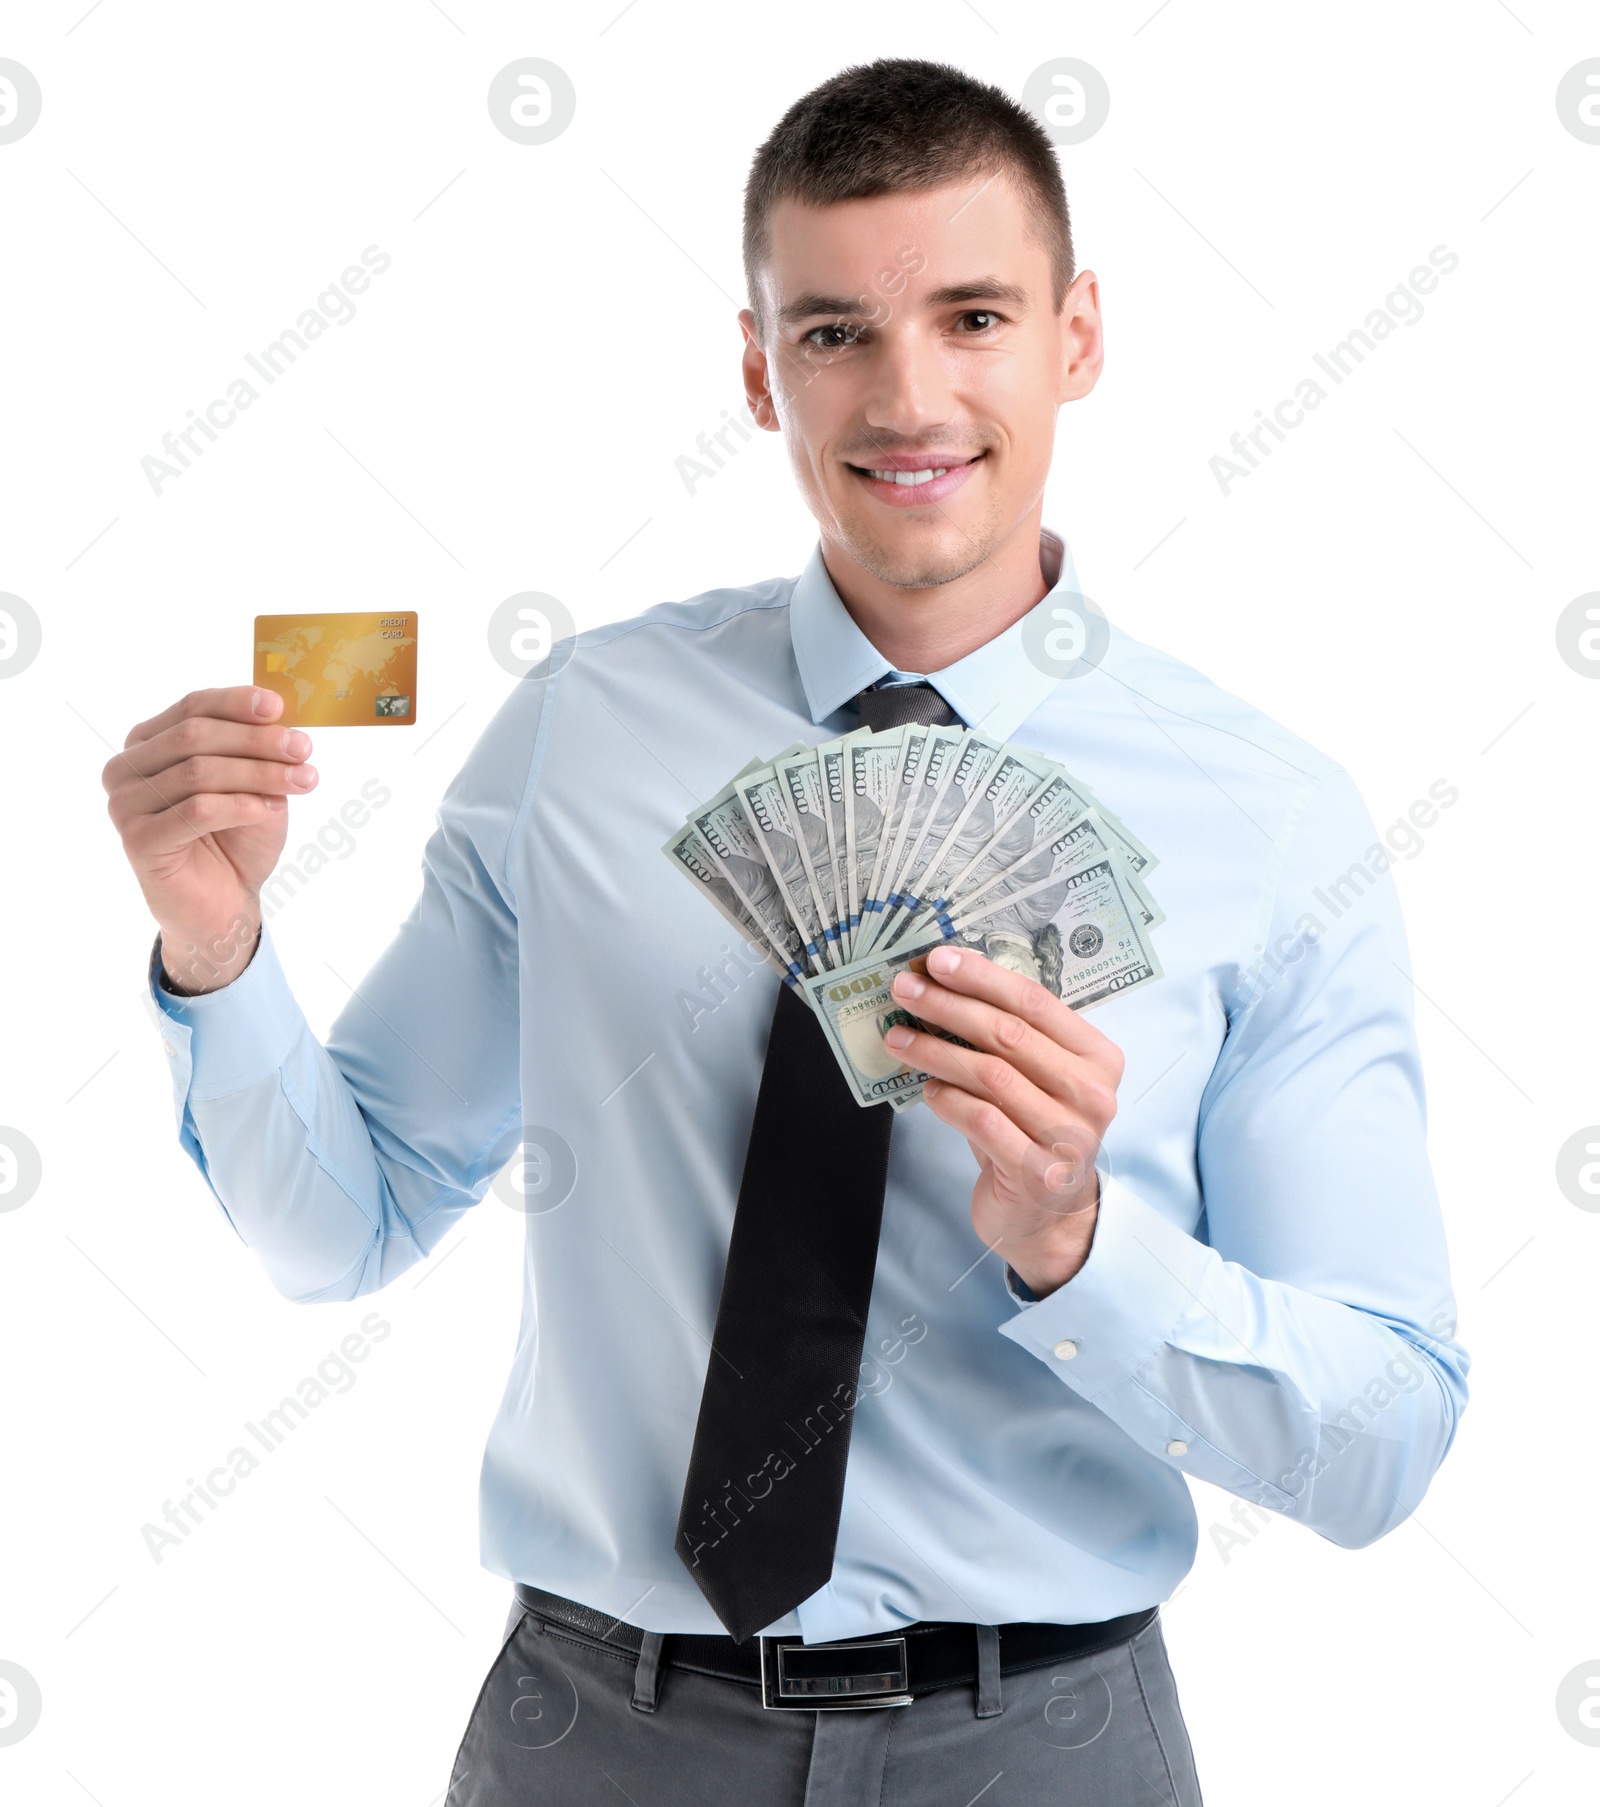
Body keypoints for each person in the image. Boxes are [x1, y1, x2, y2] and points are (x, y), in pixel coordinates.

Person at [103, 57, 1469, 1807]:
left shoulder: (1273, 821)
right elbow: (342, 1225)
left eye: (973, 315)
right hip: (594, 1736)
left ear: (1079, 338)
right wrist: (218, 950)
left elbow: (1386, 1442)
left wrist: (1078, 1243)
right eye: (834, 332)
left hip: (1045, 1746)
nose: (909, 399)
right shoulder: (587, 727)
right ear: (757, 368)